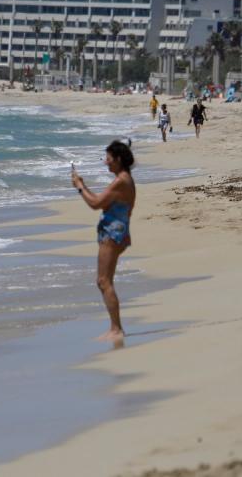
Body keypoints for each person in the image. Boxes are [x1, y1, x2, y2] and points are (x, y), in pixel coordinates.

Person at [70, 140, 136, 344]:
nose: (106, 163)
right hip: (115, 232)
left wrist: (80, 187)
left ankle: (116, 329)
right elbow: (100, 201)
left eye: (108, 159)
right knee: (104, 281)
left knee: (104, 281)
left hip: (113, 234)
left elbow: (95, 204)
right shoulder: (124, 179)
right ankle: (115, 327)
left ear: (117, 159)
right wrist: (82, 185)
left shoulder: (122, 181)